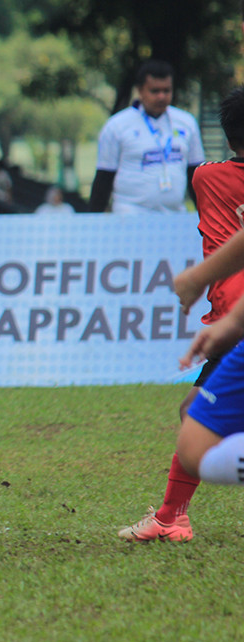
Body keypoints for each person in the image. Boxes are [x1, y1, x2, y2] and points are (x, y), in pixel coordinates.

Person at [119, 86, 244, 540]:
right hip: (234, 321)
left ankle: (171, 516)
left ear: (229, 139)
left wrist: (195, 280)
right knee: (196, 412)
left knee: (195, 414)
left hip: (234, 319)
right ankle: (172, 516)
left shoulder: (208, 178)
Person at [89, 60, 205, 214]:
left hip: (175, 217)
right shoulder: (117, 126)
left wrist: (206, 217)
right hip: (131, 217)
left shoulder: (186, 122)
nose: (161, 96)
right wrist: (94, 220)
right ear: (140, 90)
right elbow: (103, 180)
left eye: (166, 90)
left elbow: (196, 176)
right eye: (154, 91)